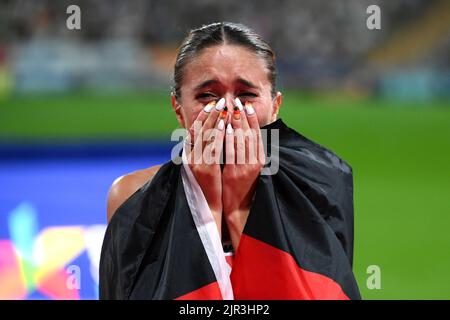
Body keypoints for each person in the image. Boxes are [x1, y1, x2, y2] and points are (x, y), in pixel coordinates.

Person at [99, 22, 361, 300]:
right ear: (178, 108)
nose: (228, 109)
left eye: (246, 95)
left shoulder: (317, 185)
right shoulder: (133, 197)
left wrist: (240, 211)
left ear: (275, 105)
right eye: (207, 96)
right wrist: (205, 209)